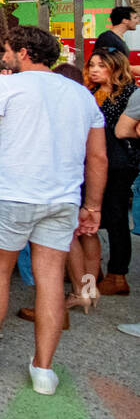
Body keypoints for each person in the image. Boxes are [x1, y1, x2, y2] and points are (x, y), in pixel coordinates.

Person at [0, 25, 106, 395]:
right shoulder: (82, 94)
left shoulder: (8, 84)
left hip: (14, 195)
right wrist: (93, 206)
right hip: (63, 197)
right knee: (51, 279)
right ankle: (43, 369)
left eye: (6, 50)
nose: (3, 56)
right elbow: (97, 156)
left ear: (22, 52)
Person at [85, 48, 137, 296]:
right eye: (93, 65)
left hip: (119, 162)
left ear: (115, 68)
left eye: (102, 65)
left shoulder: (128, 93)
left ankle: (118, 274)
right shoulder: (91, 91)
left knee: (116, 216)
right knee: (99, 214)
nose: (95, 69)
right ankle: (94, 271)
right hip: (96, 160)